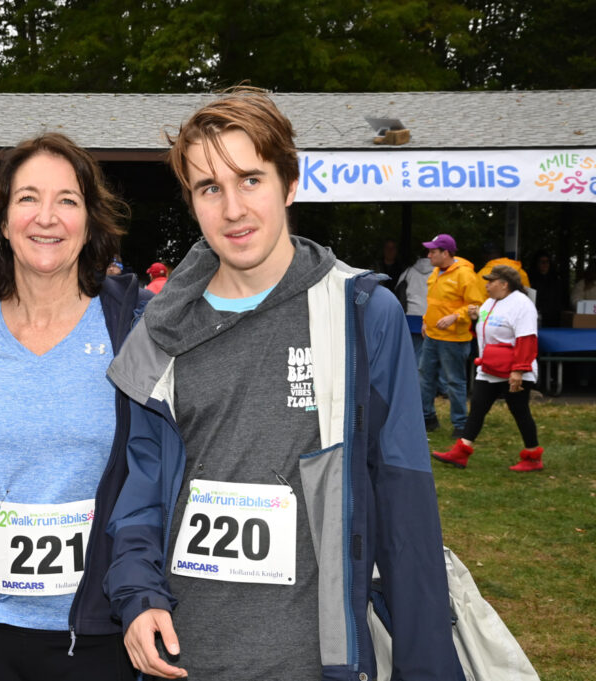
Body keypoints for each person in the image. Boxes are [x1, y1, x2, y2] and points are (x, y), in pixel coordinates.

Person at [103, 88, 461, 680]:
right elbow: (141, 487)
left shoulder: (362, 314)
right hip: (184, 658)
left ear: (290, 184)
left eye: (250, 180)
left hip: (311, 662)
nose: (233, 208)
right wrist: (137, 594)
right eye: (209, 188)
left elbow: (406, 508)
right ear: (192, 202)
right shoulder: (158, 332)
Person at [0, 133, 145, 681]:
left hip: (99, 628)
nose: (46, 217)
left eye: (67, 200)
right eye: (28, 198)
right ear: (3, 221)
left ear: (89, 223)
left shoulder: (133, 326)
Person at [432, 265, 545, 472]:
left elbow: (527, 339)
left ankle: (533, 457)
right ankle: (461, 451)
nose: (486, 285)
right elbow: (484, 330)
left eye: (491, 281)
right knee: (478, 407)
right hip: (489, 367)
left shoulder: (522, 305)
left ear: (504, 284)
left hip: (513, 369)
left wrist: (518, 370)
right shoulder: (490, 302)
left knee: (519, 410)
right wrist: (476, 318)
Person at [419, 233, 485, 437]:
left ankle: (460, 424)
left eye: (433, 251)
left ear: (445, 253)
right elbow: (433, 302)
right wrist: (425, 321)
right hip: (432, 335)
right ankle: (427, 418)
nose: (429, 255)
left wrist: (455, 317)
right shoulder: (436, 272)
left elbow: (477, 306)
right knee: (425, 378)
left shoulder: (465, 275)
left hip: (454, 339)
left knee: (454, 382)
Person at [395, 255, 433, 360]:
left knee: (411, 353)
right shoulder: (439, 273)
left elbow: (398, 291)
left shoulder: (408, 272)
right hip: (431, 317)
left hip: (410, 317)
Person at [528, 251, 566, 327]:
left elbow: (560, 299)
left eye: (547, 262)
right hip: (535, 315)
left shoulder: (556, 279)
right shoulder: (531, 279)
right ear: (537, 263)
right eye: (542, 262)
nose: (545, 264)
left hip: (553, 317)